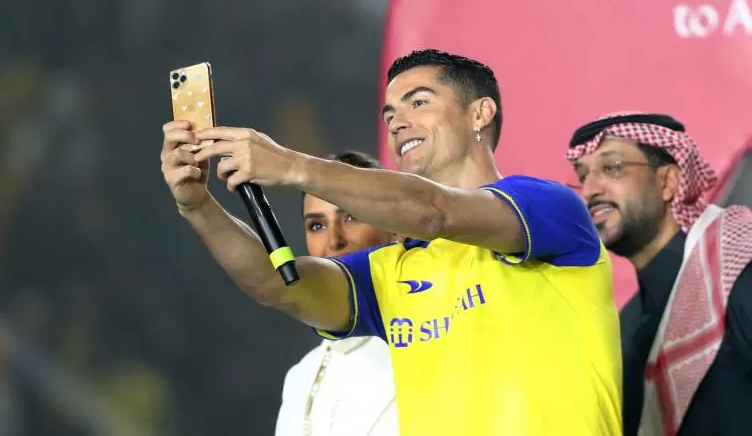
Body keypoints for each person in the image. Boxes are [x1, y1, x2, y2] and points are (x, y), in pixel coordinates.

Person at [160, 49, 621, 436]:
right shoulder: (390, 271)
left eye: (418, 103)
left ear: (480, 112)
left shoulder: (549, 208)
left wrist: (292, 166)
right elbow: (276, 285)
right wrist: (197, 206)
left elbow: (434, 212)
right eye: (390, 115)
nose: (398, 122)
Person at [565, 112, 752, 436]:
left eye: (612, 168)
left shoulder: (738, 285)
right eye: (583, 176)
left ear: (667, 182)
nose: (590, 190)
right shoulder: (626, 325)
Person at [274, 150, 398, 436]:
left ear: (395, 228)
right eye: (317, 226)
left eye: (351, 217)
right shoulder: (300, 377)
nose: (334, 241)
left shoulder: (429, 340)